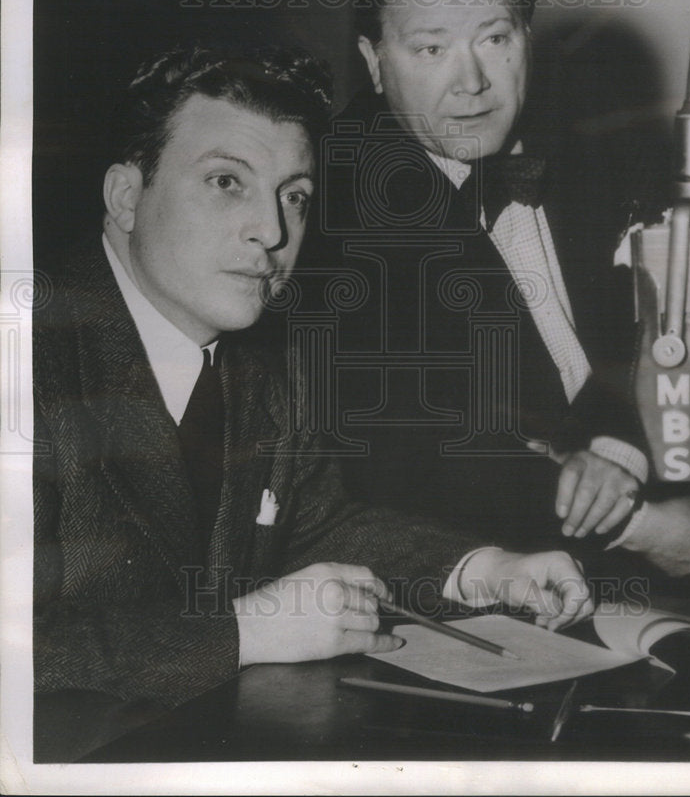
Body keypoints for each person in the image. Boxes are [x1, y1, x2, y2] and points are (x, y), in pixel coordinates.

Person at [33, 46, 593, 707]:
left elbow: (317, 528)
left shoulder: (268, 362)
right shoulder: (26, 354)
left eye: (293, 197)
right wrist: (245, 632)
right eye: (226, 182)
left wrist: (483, 572)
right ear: (126, 195)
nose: (271, 232)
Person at [310, 0, 690, 578]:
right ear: (374, 61)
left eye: (495, 38)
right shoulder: (333, 209)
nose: (472, 81)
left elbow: (678, 320)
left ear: (527, 37)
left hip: (682, 521)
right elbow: (401, 460)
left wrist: (620, 453)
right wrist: (642, 526)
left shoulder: (599, 144)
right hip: (472, 581)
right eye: (430, 49)